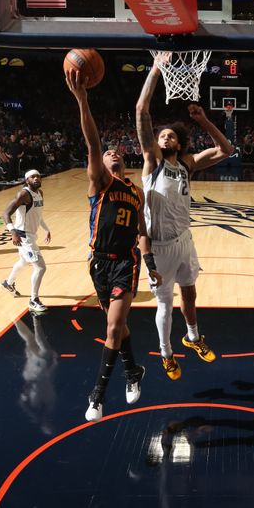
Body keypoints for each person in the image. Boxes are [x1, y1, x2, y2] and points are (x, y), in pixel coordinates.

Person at [66, 68, 162, 421]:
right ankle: (134, 370)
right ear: (101, 164)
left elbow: (141, 231)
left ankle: (97, 396)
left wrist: (149, 264)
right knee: (118, 328)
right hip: (98, 263)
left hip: (126, 262)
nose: (113, 153)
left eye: (118, 152)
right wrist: (82, 101)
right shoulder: (100, 185)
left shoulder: (135, 192)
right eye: (108, 153)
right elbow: (92, 142)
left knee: (112, 328)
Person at [135, 53, 234, 380]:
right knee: (164, 304)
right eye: (161, 135)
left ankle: (192, 338)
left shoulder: (187, 165)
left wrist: (204, 120)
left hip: (184, 242)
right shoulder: (152, 163)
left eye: (170, 135)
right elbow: (141, 111)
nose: (165, 138)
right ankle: (166, 355)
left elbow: (226, 151)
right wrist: (156, 69)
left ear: (179, 142)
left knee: (190, 292)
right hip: (158, 247)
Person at [0, 169, 51, 314]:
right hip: (23, 236)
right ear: (26, 180)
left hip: (31, 234)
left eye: (38, 176)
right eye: (32, 177)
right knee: (40, 267)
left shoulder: (40, 194)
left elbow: (38, 215)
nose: (36, 178)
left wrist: (46, 229)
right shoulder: (24, 194)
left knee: (23, 262)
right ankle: (33, 300)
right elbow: (5, 213)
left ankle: (7, 283)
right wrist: (12, 231)